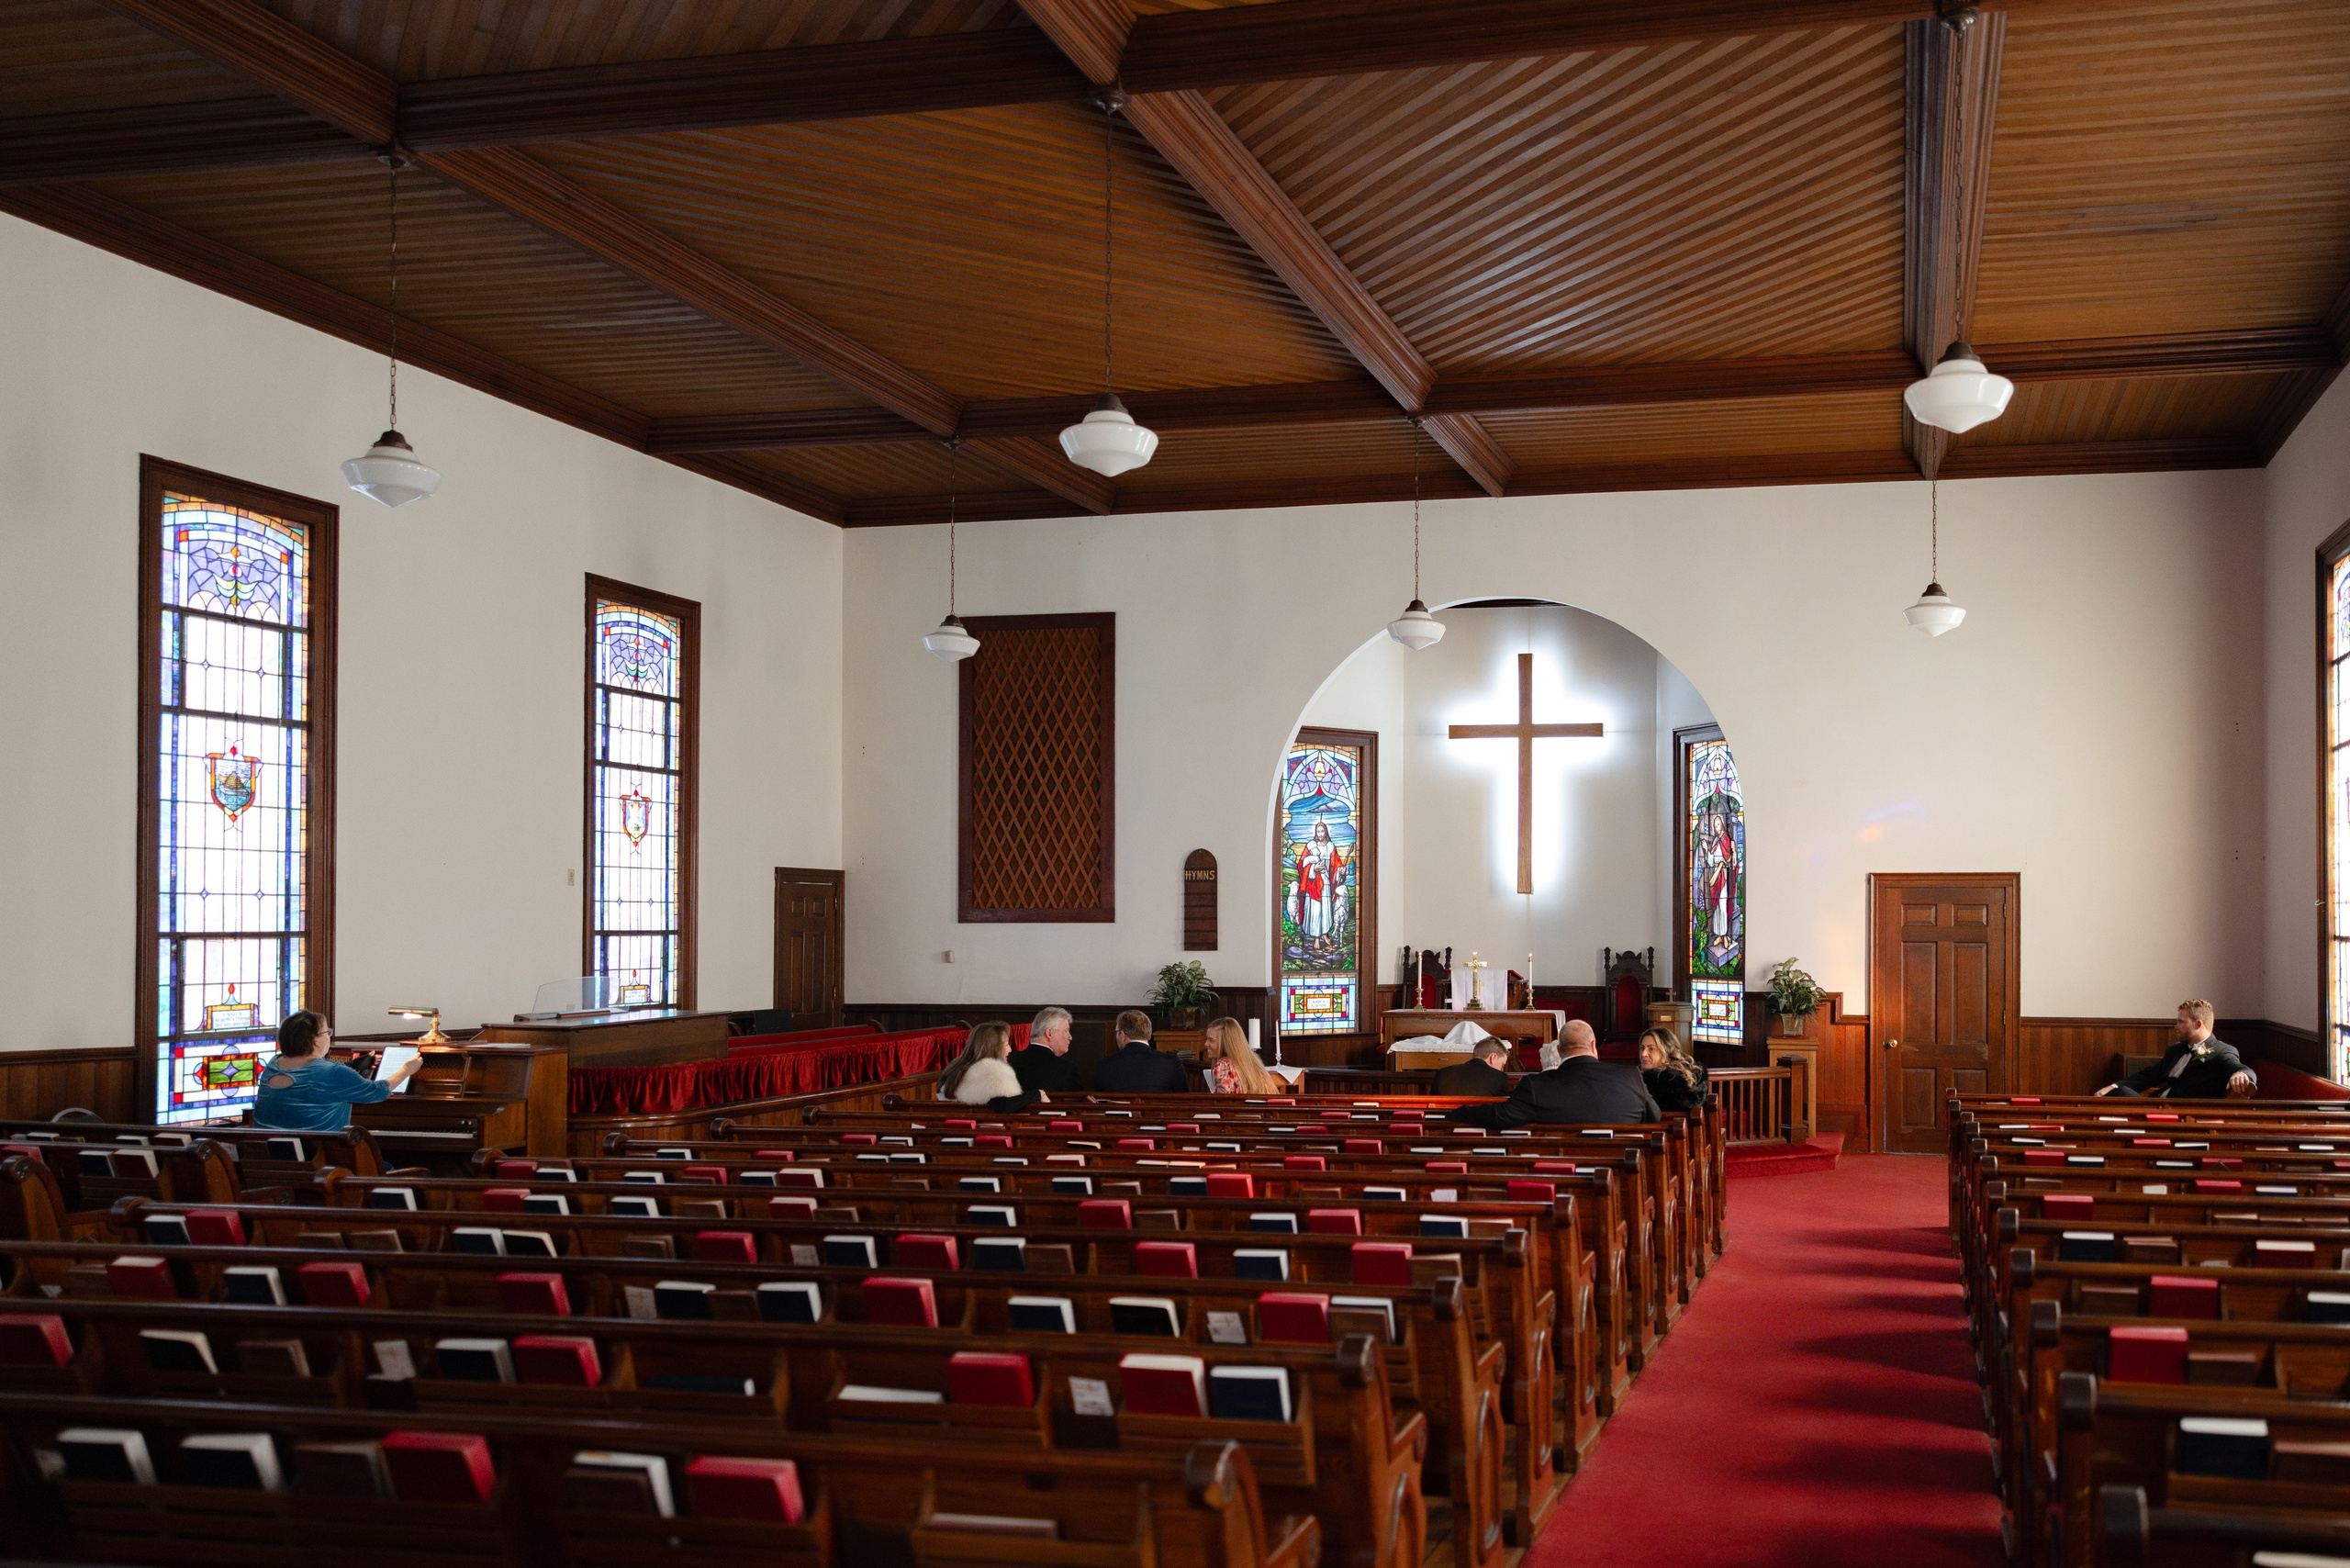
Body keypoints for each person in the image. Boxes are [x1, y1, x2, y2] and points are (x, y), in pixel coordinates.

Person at [1446, 1019, 1659, 1128]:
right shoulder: (1631, 1076)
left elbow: (1500, 1116)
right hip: (1623, 1170)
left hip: (1562, 1178)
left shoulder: (1536, 1086)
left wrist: (1460, 1113)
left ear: (1558, 1051)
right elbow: (1655, 1116)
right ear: (1594, 1046)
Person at [252, 1012, 419, 1131]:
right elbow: (377, 1092)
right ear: (316, 1041)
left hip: (275, 1160)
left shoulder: (273, 1065)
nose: (329, 1036)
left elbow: (311, 1081)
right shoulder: (332, 1072)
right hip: (323, 1163)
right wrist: (406, 1070)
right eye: (327, 1032)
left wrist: (352, 1068)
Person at [2096, 1000, 2256, 1099]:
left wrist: (2240, 1075)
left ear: (2198, 1024)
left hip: (2182, 1115)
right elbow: (2148, 1075)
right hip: (2157, 1105)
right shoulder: (2176, 1050)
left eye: (2181, 1022)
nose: (2176, 1027)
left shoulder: (2221, 1052)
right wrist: (2113, 1087)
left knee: (2121, 1094)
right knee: (2119, 1093)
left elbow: (2244, 1070)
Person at [938, 1021, 1045, 1112]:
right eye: (1006, 1044)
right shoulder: (995, 1073)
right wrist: (1037, 1095)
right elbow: (1003, 1106)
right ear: (994, 1047)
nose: (1010, 1050)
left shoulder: (954, 1070)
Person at [1091, 1009, 1189, 1093]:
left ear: (1122, 1035)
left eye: (1116, 1032)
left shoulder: (1104, 1065)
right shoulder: (1171, 1063)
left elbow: (1099, 1104)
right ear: (1148, 1033)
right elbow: (1184, 1100)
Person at [1637, 1025, 1709, 1114]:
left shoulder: (1680, 1082)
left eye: (1651, 1049)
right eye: (1642, 1048)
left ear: (1666, 1051)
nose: (1644, 1053)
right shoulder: (1636, 1078)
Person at [1009, 1006, 1078, 1094]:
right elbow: (1080, 1105)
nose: (1070, 1037)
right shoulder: (1066, 1069)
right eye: (1066, 1031)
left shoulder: (1009, 1062)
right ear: (1049, 1033)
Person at [1201, 1016, 1278, 1094]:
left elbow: (1224, 1102)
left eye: (1211, 1040)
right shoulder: (1254, 1063)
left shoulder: (1223, 1065)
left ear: (1225, 1042)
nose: (1206, 1044)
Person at [1432, 1037, 1514, 1099]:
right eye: (1502, 1065)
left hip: (1447, 1119)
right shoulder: (1499, 1078)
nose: (1501, 1069)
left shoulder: (1442, 1073)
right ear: (1493, 1057)